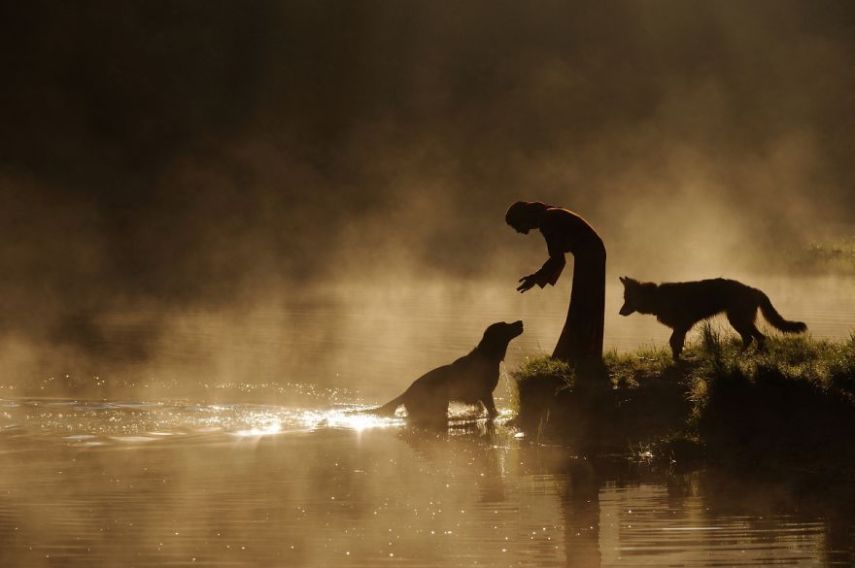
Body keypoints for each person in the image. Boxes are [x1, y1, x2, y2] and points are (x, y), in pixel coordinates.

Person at [505, 201, 606, 368]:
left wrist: (534, 278)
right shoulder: (550, 215)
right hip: (591, 252)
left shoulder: (547, 220)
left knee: (583, 303)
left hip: (590, 255)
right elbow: (559, 258)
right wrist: (537, 278)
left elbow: (558, 259)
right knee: (585, 303)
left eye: (517, 226)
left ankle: (579, 354)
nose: (520, 232)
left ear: (524, 217)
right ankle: (581, 353)